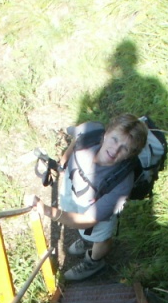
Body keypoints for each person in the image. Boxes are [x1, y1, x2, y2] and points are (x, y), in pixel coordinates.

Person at [28, 114, 148, 280]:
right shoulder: (90, 131)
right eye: (114, 139)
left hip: (95, 212)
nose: (115, 150)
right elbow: (76, 137)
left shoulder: (122, 184)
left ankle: (94, 261)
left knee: (100, 237)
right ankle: (86, 240)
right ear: (106, 133)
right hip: (72, 189)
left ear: (130, 155)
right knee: (79, 223)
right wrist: (65, 159)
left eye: (124, 148)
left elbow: (88, 220)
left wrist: (47, 211)